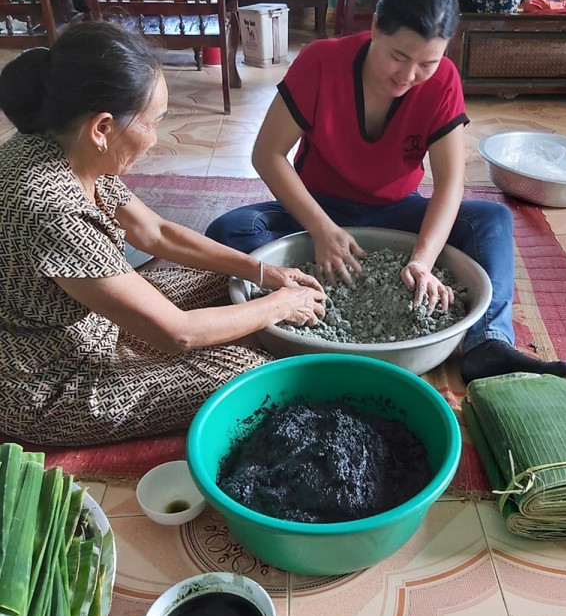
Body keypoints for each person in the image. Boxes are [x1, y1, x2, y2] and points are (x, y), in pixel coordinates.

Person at [206, 0, 566, 384]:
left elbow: (450, 184)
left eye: (426, 64)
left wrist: (422, 260)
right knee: (231, 229)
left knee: (491, 220)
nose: (408, 75)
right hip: (316, 211)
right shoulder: (321, 62)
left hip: (396, 212)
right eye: (398, 56)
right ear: (376, 28)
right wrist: (322, 229)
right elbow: (267, 154)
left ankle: (488, 342)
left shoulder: (443, 81)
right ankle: (272, 314)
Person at [0, 22, 326, 446]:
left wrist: (262, 272)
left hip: (90, 318)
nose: (155, 140)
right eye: (152, 123)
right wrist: (281, 305)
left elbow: (155, 233)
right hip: (48, 377)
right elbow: (177, 333)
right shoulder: (52, 208)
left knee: (231, 282)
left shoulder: (66, 144)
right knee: (250, 372)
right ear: (103, 128)